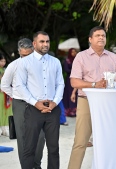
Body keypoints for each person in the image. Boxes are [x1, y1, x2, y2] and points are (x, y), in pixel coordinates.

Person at [67, 26, 116, 169]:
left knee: (108, 141)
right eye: (98, 35)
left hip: (109, 103)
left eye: (103, 36)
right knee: (81, 141)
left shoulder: (112, 57)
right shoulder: (81, 56)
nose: (101, 38)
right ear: (90, 39)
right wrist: (95, 84)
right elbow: (74, 81)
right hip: (87, 101)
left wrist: (111, 84)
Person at [16, 31, 64, 169]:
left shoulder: (55, 62)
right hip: (33, 109)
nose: (45, 44)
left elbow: (60, 84)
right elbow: (20, 85)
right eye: (42, 41)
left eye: (47, 41)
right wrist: (35, 103)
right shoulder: (24, 62)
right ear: (34, 43)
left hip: (53, 110)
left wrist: (55, 102)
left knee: (54, 149)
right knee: (29, 148)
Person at [1, 38, 46, 169]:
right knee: (23, 138)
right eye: (23, 55)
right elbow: (4, 85)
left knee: (41, 136)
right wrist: (16, 95)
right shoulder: (13, 66)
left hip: (39, 103)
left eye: (29, 55)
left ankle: (36, 165)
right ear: (19, 52)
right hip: (20, 104)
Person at [0, 54, 12, 137]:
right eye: (1, 61)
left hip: (6, 93)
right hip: (0, 93)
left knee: (6, 110)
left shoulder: (5, 70)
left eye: (4, 61)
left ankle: (5, 128)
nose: (3, 63)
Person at [63, 48, 78, 117]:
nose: (74, 53)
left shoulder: (78, 60)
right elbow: (66, 69)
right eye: (72, 52)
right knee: (69, 93)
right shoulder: (67, 61)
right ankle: (69, 111)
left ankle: (75, 111)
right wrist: (74, 71)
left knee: (76, 93)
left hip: (77, 79)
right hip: (69, 80)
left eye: (75, 52)